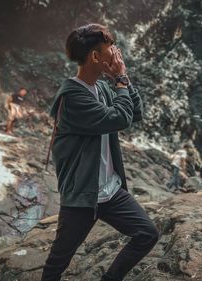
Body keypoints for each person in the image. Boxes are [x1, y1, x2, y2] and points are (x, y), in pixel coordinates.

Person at [41, 24, 159, 281]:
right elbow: (118, 118)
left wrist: (122, 80)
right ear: (95, 57)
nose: (116, 53)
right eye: (111, 49)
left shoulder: (103, 88)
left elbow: (134, 113)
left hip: (111, 192)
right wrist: (120, 81)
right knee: (57, 263)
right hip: (83, 197)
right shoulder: (73, 97)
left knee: (147, 234)